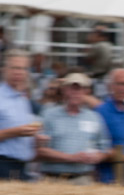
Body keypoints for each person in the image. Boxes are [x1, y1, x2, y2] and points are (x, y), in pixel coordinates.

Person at [36, 73, 111, 184]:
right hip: (53, 178)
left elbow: (105, 148)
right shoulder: (49, 115)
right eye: (72, 88)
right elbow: (40, 151)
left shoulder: (94, 117)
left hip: (83, 178)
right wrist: (72, 158)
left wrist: (97, 157)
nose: (75, 93)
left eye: (79, 89)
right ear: (64, 90)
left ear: (86, 92)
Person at [0, 50, 38, 180]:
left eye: (23, 68)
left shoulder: (23, 99)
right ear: (4, 69)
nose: (19, 72)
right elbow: (18, 131)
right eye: (15, 68)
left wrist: (36, 138)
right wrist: (16, 132)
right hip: (3, 164)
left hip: (22, 166)